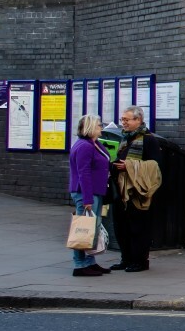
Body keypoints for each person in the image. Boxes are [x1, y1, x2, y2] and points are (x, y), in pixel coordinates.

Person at [109, 106, 166, 273]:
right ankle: (125, 259)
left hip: (137, 192)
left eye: (127, 120)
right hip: (121, 190)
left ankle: (139, 261)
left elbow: (156, 166)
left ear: (138, 120)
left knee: (138, 227)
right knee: (122, 226)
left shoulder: (148, 140)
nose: (123, 123)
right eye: (122, 120)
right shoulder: (126, 139)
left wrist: (130, 165)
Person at [68, 115, 112, 277]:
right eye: (99, 125)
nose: (102, 127)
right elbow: (83, 173)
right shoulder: (85, 147)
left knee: (92, 228)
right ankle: (79, 265)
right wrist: (87, 199)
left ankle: (90, 262)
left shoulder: (94, 144)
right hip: (86, 192)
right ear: (91, 127)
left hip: (96, 191)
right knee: (83, 229)